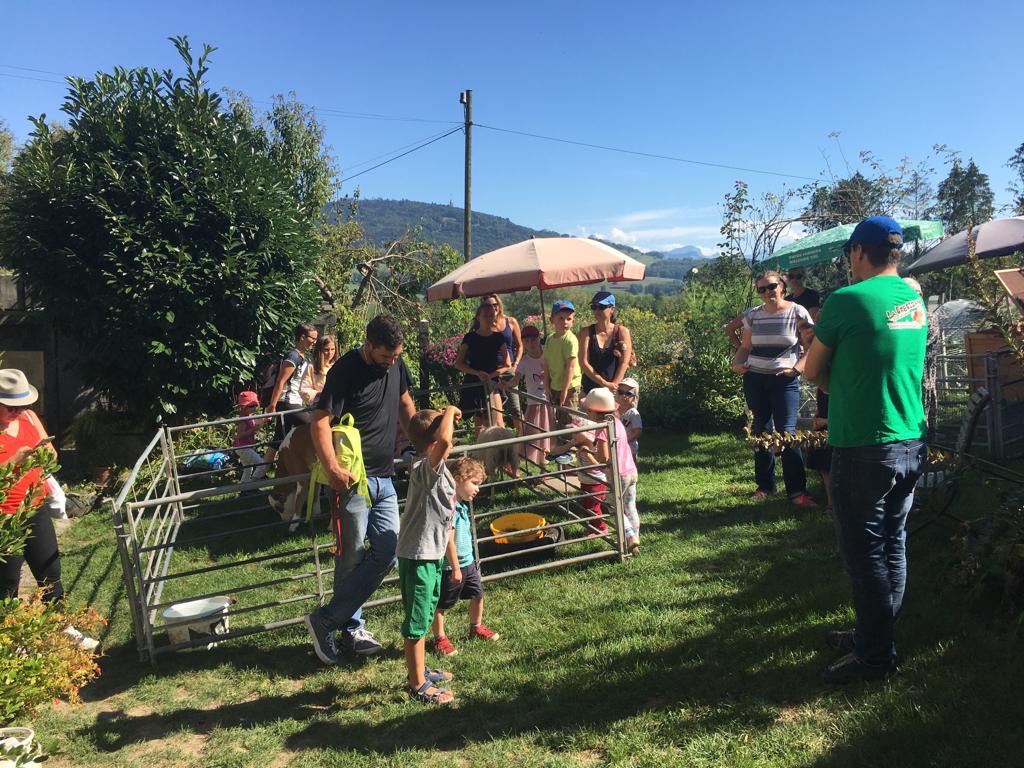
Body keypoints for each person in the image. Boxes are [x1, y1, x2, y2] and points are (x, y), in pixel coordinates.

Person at [804, 216, 928, 684]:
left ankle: (876, 657)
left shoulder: (847, 300)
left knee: (865, 555)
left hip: (864, 445)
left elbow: (812, 370)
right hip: (911, 439)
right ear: (894, 252)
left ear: (858, 252)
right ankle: (875, 637)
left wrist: (834, 381)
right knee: (892, 546)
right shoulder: (913, 299)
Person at [303, 315, 416, 662]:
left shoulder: (396, 367)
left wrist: (425, 447)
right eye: (386, 357)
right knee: (350, 556)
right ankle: (351, 627)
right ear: (368, 345)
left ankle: (326, 620)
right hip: (351, 481)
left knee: (388, 550)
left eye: (396, 356)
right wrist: (333, 468)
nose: (391, 363)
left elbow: (407, 407)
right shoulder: (345, 371)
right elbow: (319, 422)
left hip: (385, 478)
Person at [0, 369, 97, 650]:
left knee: (50, 570)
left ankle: (61, 627)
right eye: (11, 407)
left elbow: (51, 453)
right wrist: (14, 461)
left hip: (34, 507)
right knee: (7, 582)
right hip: (5, 517)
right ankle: (12, 642)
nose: (19, 410)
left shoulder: (28, 417)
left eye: (22, 404)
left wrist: (44, 452)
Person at [731, 271, 817, 507]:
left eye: (771, 287)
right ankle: (765, 486)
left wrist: (796, 369)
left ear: (782, 286)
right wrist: (737, 364)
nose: (767, 292)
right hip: (755, 379)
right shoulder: (753, 316)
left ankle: (798, 492)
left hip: (785, 381)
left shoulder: (797, 311)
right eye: (761, 289)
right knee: (760, 430)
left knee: (787, 433)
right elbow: (746, 346)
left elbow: (812, 345)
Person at [395, 405, 461, 705]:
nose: (453, 435)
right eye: (448, 429)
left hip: (430, 555)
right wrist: (449, 409)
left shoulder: (439, 470)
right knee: (417, 619)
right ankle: (417, 684)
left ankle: (420, 671)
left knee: (424, 612)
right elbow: (445, 442)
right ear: (433, 442)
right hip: (419, 557)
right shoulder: (426, 468)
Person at [431, 456, 500, 656]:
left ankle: (476, 626)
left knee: (477, 594)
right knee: (441, 603)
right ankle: (440, 638)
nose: (478, 489)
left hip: (467, 562)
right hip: (451, 566)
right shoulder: (450, 506)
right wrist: (454, 568)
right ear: (458, 480)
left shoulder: (460, 504)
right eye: (475, 483)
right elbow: (448, 541)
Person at [455, 301, 511, 436]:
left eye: (491, 315)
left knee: (498, 421)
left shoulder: (498, 337)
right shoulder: (470, 337)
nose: (489, 318)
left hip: (492, 383)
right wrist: (477, 373)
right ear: (478, 317)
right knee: (480, 425)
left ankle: (501, 453)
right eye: (485, 315)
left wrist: (490, 375)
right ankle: (482, 455)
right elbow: (459, 363)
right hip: (474, 383)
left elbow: (507, 364)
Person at [264, 323, 318, 463]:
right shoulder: (292, 356)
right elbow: (280, 382)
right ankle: (305, 464)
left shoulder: (302, 357)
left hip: (293, 402)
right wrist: (272, 406)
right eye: (313, 339)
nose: (315, 342)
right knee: (315, 427)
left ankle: (257, 476)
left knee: (278, 439)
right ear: (302, 337)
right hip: (288, 402)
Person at [504, 324, 551, 468]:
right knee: (534, 437)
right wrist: (504, 385)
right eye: (527, 341)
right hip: (534, 403)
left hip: (548, 401)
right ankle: (538, 467)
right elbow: (516, 380)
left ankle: (548, 468)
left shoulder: (547, 355)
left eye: (534, 340)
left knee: (548, 437)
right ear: (523, 343)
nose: (531, 344)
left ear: (539, 339)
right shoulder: (524, 361)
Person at [481, 294, 524, 430]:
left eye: (495, 305)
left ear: (499, 305)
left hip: (509, 371)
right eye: (489, 306)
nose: (493, 308)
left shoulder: (510, 322)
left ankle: (525, 445)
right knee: (494, 413)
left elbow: (520, 345)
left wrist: (516, 363)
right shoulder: (484, 324)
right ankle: (502, 444)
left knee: (515, 410)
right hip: (491, 372)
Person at [579, 290, 633, 394]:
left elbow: (624, 362)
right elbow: (584, 363)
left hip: (616, 391)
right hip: (590, 391)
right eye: (594, 307)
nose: (597, 310)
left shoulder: (622, 332)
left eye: (601, 307)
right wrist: (605, 384)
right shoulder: (586, 332)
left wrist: (613, 386)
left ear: (612, 309)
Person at [544, 299, 583, 427]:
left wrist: (565, 391)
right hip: (556, 385)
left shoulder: (570, 340)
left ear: (573, 321)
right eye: (561, 318)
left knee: (569, 420)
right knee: (557, 419)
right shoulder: (550, 339)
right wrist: (546, 385)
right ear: (552, 320)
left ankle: (571, 445)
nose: (565, 322)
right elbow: (546, 364)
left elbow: (570, 367)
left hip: (570, 386)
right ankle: (561, 444)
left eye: (568, 319)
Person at [233, 391, 268, 484]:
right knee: (262, 465)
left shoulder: (249, 416)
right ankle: (253, 484)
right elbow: (240, 435)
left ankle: (244, 487)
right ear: (244, 407)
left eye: (255, 405)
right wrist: (253, 430)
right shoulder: (243, 420)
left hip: (245, 446)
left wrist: (260, 424)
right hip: (243, 447)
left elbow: (253, 428)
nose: (255, 408)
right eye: (251, 406)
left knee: (248, 468)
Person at [300, 334, 339, 406]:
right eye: (326, 350)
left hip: (336, 404)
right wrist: (319, 394)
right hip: (320, 405)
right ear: (320, 350)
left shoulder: (338, 366)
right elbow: (303, 389)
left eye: (332, 349)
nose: (330, 353)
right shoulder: (312, 367)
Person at [616, 377, 642, 460]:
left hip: (629, 446)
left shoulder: (633, 413)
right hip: (616, 444)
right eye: (621, 392)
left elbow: (637, 431)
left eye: (628, 394)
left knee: (631, 464)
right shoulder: (614, 410)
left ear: (634, 397)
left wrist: (624, 440)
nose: (624, 396)